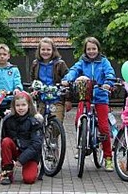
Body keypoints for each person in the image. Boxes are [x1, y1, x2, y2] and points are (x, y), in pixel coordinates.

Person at [61, 36, 116, 172]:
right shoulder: (82, 62)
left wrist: (108, 83)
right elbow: (73, 71)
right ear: (85, 50)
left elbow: (110, 73)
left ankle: (108, 157)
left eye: (94, 49)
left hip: (100, 97)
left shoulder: (103, 62)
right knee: (78, 121)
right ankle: (81, 145)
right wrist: (67, 79)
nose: (91, 51)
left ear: (98, 49)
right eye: (89, 49)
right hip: (85, 96)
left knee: (104, 128)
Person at [0, 91, 43, 185]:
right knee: (6, 141)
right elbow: (4, 143)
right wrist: (7, 161)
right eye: (17, 105)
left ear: (29, 106)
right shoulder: (8, 120)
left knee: (29, 179)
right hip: (16, 150)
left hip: (30, 155)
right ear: (14, 106)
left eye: (23, 105)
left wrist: (21, 160)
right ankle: (7, 173)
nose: (20, 108)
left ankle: (34, 168)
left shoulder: (35, 122)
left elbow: (36, 145)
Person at [29, 37, 69, 120]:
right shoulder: (35, 64)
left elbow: (67, 80)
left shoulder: (60, 64)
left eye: (48, 49)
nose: (45, 52)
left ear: (53, 50)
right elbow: (33, 79)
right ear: (39, 51)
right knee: (38, 121)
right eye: (43, 49)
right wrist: (33, 89)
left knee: (56, 122)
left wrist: (68, 98)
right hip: (41, 99)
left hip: (57, 98)